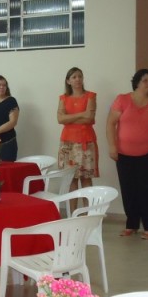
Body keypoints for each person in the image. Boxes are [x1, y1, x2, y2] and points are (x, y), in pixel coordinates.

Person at [106, 69, 148, 240]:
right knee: (128, 189)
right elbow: (110, 124)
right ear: (136, 82)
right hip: (124, 154)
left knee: (147, 190)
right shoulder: (122, 99)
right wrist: (112, 146)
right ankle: (131, 224)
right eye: (145, 80)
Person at [57, 67, 98, 202]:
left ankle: (87, 216)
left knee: (86, 179)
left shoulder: (90, 96)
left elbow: (89, 118)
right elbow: (60, 119)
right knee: (71, 180)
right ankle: (73, 216)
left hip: (85, 141)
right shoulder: (63, 98)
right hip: (67, 143)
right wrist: (81, 114)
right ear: (68, 81)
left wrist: (69, 118)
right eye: (74, 77)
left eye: (80, 76)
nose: (78, 79)